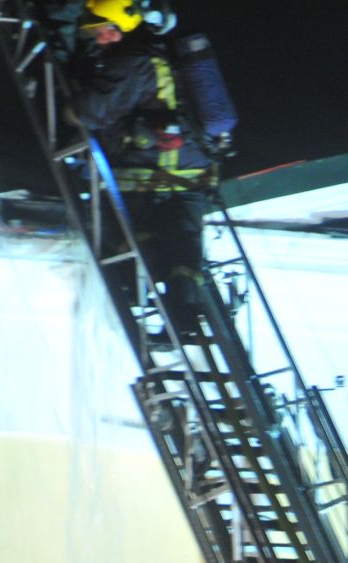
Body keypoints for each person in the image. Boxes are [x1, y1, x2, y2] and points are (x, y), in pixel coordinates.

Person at [67, 0, 227, 335]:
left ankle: (150, 304)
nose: (98, 40)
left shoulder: (130, 62)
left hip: (146, 179)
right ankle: (185, 319)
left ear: (119, 28)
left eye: (100, 32)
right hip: (192, 176)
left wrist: (68, 100)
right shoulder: (164, 54)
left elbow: (91, 112)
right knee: (184, 252)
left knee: (134, 243)